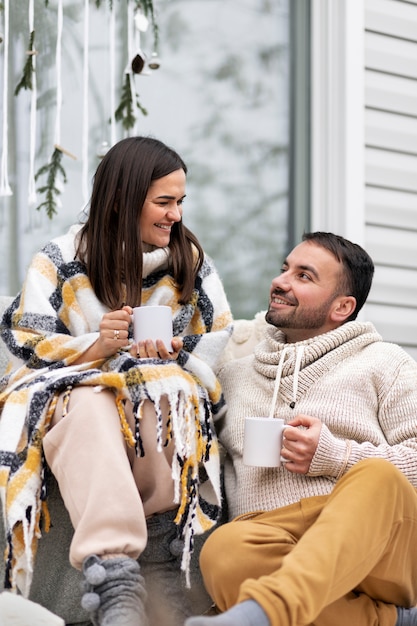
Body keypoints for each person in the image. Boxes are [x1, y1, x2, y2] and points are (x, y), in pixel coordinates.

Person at [0, 136, 233, 626]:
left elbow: (218, 338)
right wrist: (95, 349)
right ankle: (116, 578)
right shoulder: (61, 258)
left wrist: (174, 351)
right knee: (91, 403)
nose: (175, 214)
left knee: (163, 386)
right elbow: (24, 339)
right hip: (78, 402)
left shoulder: (189, 261)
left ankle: (163, 559)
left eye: (180, 201)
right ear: (125, 200)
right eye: (164, 202)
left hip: (159, 399)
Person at [185, 232, 417, 626]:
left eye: (304, 276)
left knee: (377, 475)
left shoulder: (385, 363)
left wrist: (336, 455)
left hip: (377, 545)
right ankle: (390, 621)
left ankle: (267, 610)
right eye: (284, 270)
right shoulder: (233, 376)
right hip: (275, 540)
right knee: (224, 551)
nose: (281, 281)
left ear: (342, 306)